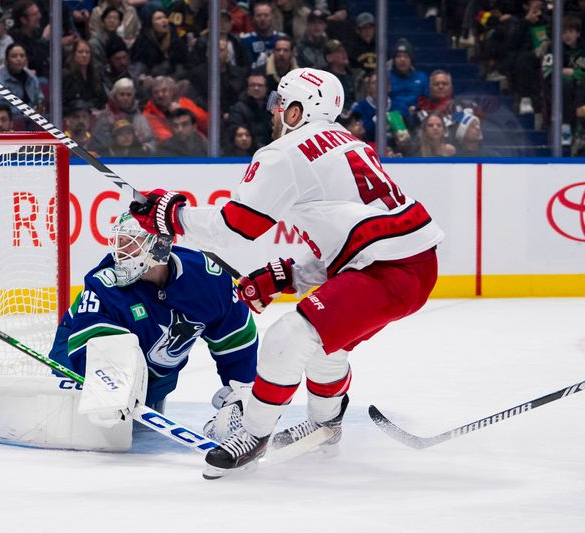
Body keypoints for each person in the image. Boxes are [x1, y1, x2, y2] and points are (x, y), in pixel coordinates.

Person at [128, 68, 443, 478]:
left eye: (281, 104)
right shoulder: (351, 143)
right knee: (327, 347)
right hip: (415, 264)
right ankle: (326, 424)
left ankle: (254, 435)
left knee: (288, 337)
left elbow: (235, 226)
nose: (275, 112)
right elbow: (357, 242)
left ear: (299, 110)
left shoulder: (285, 152)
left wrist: (171, 214)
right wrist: (286, 275)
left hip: (386, 272)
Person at [49, 212, 257, 436]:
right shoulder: (105, 286)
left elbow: (237, 337)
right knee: (97, 429)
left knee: (139, 430)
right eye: (119, 242)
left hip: (156, 375)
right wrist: (111, 386)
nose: (121, 252)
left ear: (159, 245)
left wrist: (243, 393)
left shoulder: (208, 279)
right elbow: (94, 343)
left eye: (130, 243)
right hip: (78, 355)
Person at [92, 78, 156, 154]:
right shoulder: (105, 117)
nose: (125, 98)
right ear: (115, 95)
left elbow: (152, 140)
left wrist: (146, 148)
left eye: (129, 95)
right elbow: (99, 143)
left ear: (133, 96)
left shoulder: (140, 117)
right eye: (122, 94)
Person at [227, 72, 274, 149]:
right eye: (253, 85)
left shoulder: (272, 108)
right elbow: (234, 131)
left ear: (266, 88)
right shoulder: (238, 108)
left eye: (260, 85)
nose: (256, 88)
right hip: (247, 153)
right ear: (247, 88)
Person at [63, 40, 108, 110]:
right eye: (80, 52)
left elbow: (103, 99)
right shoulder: (66, 75)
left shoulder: (95, 75)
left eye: (87, 52)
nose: (84, 55)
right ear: (74, 54)